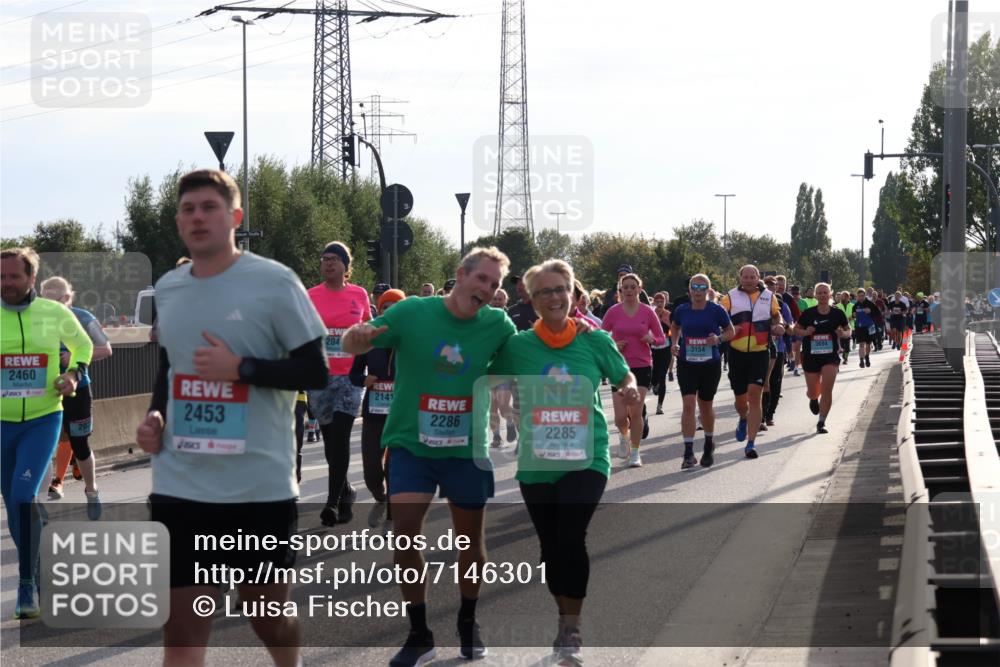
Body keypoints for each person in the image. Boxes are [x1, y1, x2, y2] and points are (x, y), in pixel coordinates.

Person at [134, 169, 328, 667]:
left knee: (266, 616)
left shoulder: (274, 282)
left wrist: (241, 369)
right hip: (181, 483)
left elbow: (317, 370)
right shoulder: (170, 288)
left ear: (234, 218)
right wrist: (156, 415)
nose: (197, 217)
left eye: (209, 208)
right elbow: (170, 366)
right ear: (178, 221)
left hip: (257, 485)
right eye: (188, 209)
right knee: (181, 634)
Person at [341, 246, 518, 666]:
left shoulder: (497, 324)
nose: (489, 290)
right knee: (404, 532)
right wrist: (357, 337)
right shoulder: (411, 313)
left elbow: (519, 363)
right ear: (461, 274)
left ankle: (467, 620)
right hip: (410, 444)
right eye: (483, 280)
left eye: (494, 285)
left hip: (465, 449)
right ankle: (419, 632)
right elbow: (355, 341)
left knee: (469, 542)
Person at [488, 259, 638, 666]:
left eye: (561, 289)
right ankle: (563, 616)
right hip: (536, 462)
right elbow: (493, 379)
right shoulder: (517, 346)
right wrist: (503, 399)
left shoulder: (595, 340)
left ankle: (572, 627)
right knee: (552, 547)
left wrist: (629, 391)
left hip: (587, 456)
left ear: (573, 295)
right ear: (532, 300)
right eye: (544, 291)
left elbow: (623, 375)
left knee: (571, 536)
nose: (554, 297)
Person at [2, 247, 93, 619]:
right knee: (14, 506)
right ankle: (36, 566)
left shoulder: (54, 312)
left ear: (31, 279)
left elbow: (83, 345)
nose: (6, 283)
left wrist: (74, 374)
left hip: (42, 419)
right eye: (1, 277)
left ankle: (27, 585)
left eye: (14, 277)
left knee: (24, 495)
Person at [306, 242, 371, 526]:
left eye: (334, 259)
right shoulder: (310, 296)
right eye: (324, 259)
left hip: (350, 377)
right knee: (330, 443)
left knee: (341, 435)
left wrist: (365, 365)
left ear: (345, 265)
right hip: (321, 377)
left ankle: (331, 504)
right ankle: (347, 492)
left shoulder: (359, 294)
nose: (328, 264)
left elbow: (368, 330)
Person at [39, 276, 112, 509]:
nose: (49, 307)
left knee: (80, 445)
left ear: (67, 298)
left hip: (77, 390)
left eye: (55, 302)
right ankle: (39, 503)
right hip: (45, 392)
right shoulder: (36, 318)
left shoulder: (83, 318)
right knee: (43, 447)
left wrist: (73, 357)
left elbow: (106, 349)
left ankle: (92, 491)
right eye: (44, 301)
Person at [349, 288, 405, 531]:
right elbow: (353, 373)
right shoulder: (370, 339)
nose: (389, 313)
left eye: (395, 309)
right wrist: (363, 380)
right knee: (371, 472)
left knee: (395, 469)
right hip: (373, 413)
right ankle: (380, 499)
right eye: (385, 308)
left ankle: (393, 516)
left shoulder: (410, 340)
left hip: (400, 414)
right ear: (379, 311)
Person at [670, 274, 735, 469]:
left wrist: (718, 339)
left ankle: (708, 443)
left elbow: (730, 331)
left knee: (705, 406)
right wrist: (674, 343)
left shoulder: (716, 310)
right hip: (687, 363)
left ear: (708, 290)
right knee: (688, 405)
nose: (698, 291)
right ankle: (688, 452)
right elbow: (675, 326)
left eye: (702, 287)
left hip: (710, 364)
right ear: (690, 290)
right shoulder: (682, 310)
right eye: (695, 287)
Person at [719, 265, 784, 459]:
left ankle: (751, 443)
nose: (748, 279)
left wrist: (779, 324)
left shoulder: (768, 296)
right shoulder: (729, 297)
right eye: (745, 276)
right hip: (737, 352)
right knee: (741, 400)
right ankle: (742, 417)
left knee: (755, 395)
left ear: (758, 278)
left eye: (752, 276)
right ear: (740, 278)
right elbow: (720, 318)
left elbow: (775, 314)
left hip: (759, 352)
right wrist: (729, 328)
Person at [601, 272, 665, 467]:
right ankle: (623, 435)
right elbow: (601, 337)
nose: (628, 290)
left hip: (642, 365)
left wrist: (652, 340)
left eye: (632, 287)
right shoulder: (613, 311)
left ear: (639, 289)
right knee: (621, 416)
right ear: (620, 290)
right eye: (625, 287)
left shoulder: (648, 311)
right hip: (619, 367)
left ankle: (636, 452)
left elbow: (662, 338)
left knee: (635, 412)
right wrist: (613, 343)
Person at [791, 283, 852, 434]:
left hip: (830, 356)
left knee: (827, 389)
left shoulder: (837, 313)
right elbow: (795, 329)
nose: (823, 295)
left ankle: (822, 421)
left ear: (830, 294)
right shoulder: (808, 313)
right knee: (814, 391)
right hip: (811, 356)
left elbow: (848, 330)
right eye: (820, 293)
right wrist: (806, 332)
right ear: (816, 295)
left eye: (825, 292)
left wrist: (842, 334)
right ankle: (812, 398)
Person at [650, 291, 672, 415]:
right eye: (657, 302)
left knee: (662, 376)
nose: (659, 304)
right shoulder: (650, 314)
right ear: (654, 302)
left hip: (665, 348)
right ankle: (654, 384)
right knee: (654, 375)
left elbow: (673, 329)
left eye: (662, 301)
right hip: (653, 348)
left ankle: (660, 406)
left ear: (665, 302)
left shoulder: (668, 315)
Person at [853, 288, 879, 367]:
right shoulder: (855, 305)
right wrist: (854, 315)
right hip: (859, 327)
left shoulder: (870, 304)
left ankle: (867, 356)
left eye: (862, 296)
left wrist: (870, 311)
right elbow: (853, 315)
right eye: (859, 296)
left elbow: (877, 313)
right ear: (857, 296)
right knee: (861, 344)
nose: (861, 297)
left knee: (868, 344)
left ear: (865, 295)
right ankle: (861, 360)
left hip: (869, 326)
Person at [834, 291, 855, 365]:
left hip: (849, 327)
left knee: (848, 347)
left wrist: (847, 319)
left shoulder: (852, 306)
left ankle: (845, 358)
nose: (844, 297)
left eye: (846, 296)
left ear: (849, 297)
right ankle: (840, 356)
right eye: (842, 296)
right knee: (841, 345)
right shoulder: (837, 306)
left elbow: (855, 315)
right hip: (839, 328)